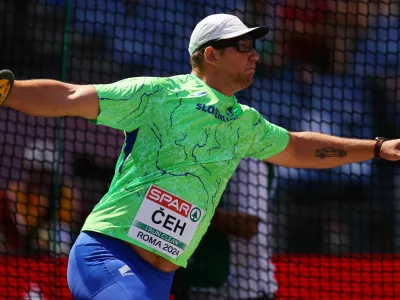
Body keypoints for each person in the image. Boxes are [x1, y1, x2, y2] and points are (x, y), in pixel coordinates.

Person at [1, 13, 400, 300]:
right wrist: (8, 90)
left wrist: (377, 148)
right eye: (243, 46)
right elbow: (70, 96)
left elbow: (297, 147)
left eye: (254, 47)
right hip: (109, 253)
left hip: (159, 279)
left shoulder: (245, 123)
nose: (255, 55)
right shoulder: (159, 94)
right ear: (211, 54)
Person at [189, 158, 277, 300]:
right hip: (198, 285)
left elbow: (248, 226)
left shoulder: (248, 160)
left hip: (243, 290)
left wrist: (188, 211)